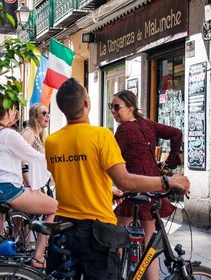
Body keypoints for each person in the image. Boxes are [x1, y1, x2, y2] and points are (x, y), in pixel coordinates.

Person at [44, 78, 190, 280]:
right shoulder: (101, 135)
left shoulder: (51, 141)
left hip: (64, 227)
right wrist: (168, 181)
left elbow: (75, 174)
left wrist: (107, 190)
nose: (112, 109)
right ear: (87, 103)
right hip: (95, 230)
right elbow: (124, 181)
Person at [0, 95, 57, 269]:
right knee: (54, 207)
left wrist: (10, 120)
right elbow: (35, 157)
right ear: (8, 111)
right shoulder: (9, 135)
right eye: (13, 109)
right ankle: (39, 256)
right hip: (6, 189)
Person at [110, 89, 183, 279]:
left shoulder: (124, 130)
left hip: (135, 185)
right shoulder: (147, 124)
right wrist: (172, 161)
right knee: (150, 241)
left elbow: (112, 161)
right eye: (111, 107)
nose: (113, 111)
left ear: (130, 107)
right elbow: (176, 133)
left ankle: (113, 275)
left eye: (116, 107)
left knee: (117, 238)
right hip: (154, 185)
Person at [21, 103, 50, 188]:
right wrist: (29, 183)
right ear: (35, 117)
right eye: (44, 113)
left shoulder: (40, 135)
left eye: (48, 113)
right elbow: (21, 160)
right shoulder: (29, 133)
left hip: (37, 184)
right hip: (29, 185)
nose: (48, 116)